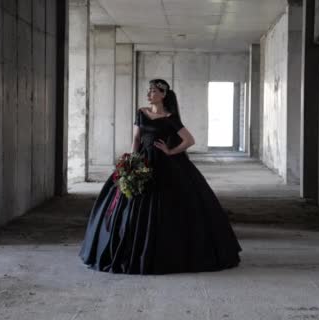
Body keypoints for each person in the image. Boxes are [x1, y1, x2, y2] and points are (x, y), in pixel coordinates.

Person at [79, 79, 241, 274]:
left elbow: (189, 140)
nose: (149, 94)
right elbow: (136, 139)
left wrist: (171, 151)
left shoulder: (171, 117)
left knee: (170, 206)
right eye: (148, 90)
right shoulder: (142, 113)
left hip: (166, 165)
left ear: (163, 95)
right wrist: (131, 161)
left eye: (153, 91)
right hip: (143, 161)